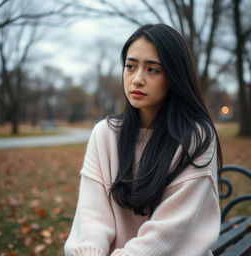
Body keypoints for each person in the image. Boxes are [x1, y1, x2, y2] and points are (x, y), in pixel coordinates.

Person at [64, 24, 223, 256]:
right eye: (130, 66)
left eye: (152, 70)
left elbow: (169, 232)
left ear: (174, 76)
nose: (137, 79)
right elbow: (91, 217)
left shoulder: (196, 139)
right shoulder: (105, 134)